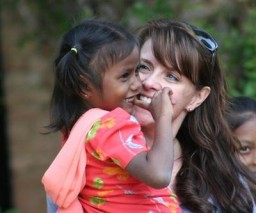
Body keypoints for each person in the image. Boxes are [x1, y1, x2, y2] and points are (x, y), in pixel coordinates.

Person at [42, 19, 181, 212]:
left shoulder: (79, 128)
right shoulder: (111, 124)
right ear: (85, 87)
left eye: (136, 71)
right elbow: (158, 175)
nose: (137, 84)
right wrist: (163, 117)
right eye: (125, 76)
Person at [132, 19, 256, 213]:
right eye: (143, 67)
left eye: (171, 76)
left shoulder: (223, 184)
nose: (149, 83)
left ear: (197, 98)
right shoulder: (93, 148)